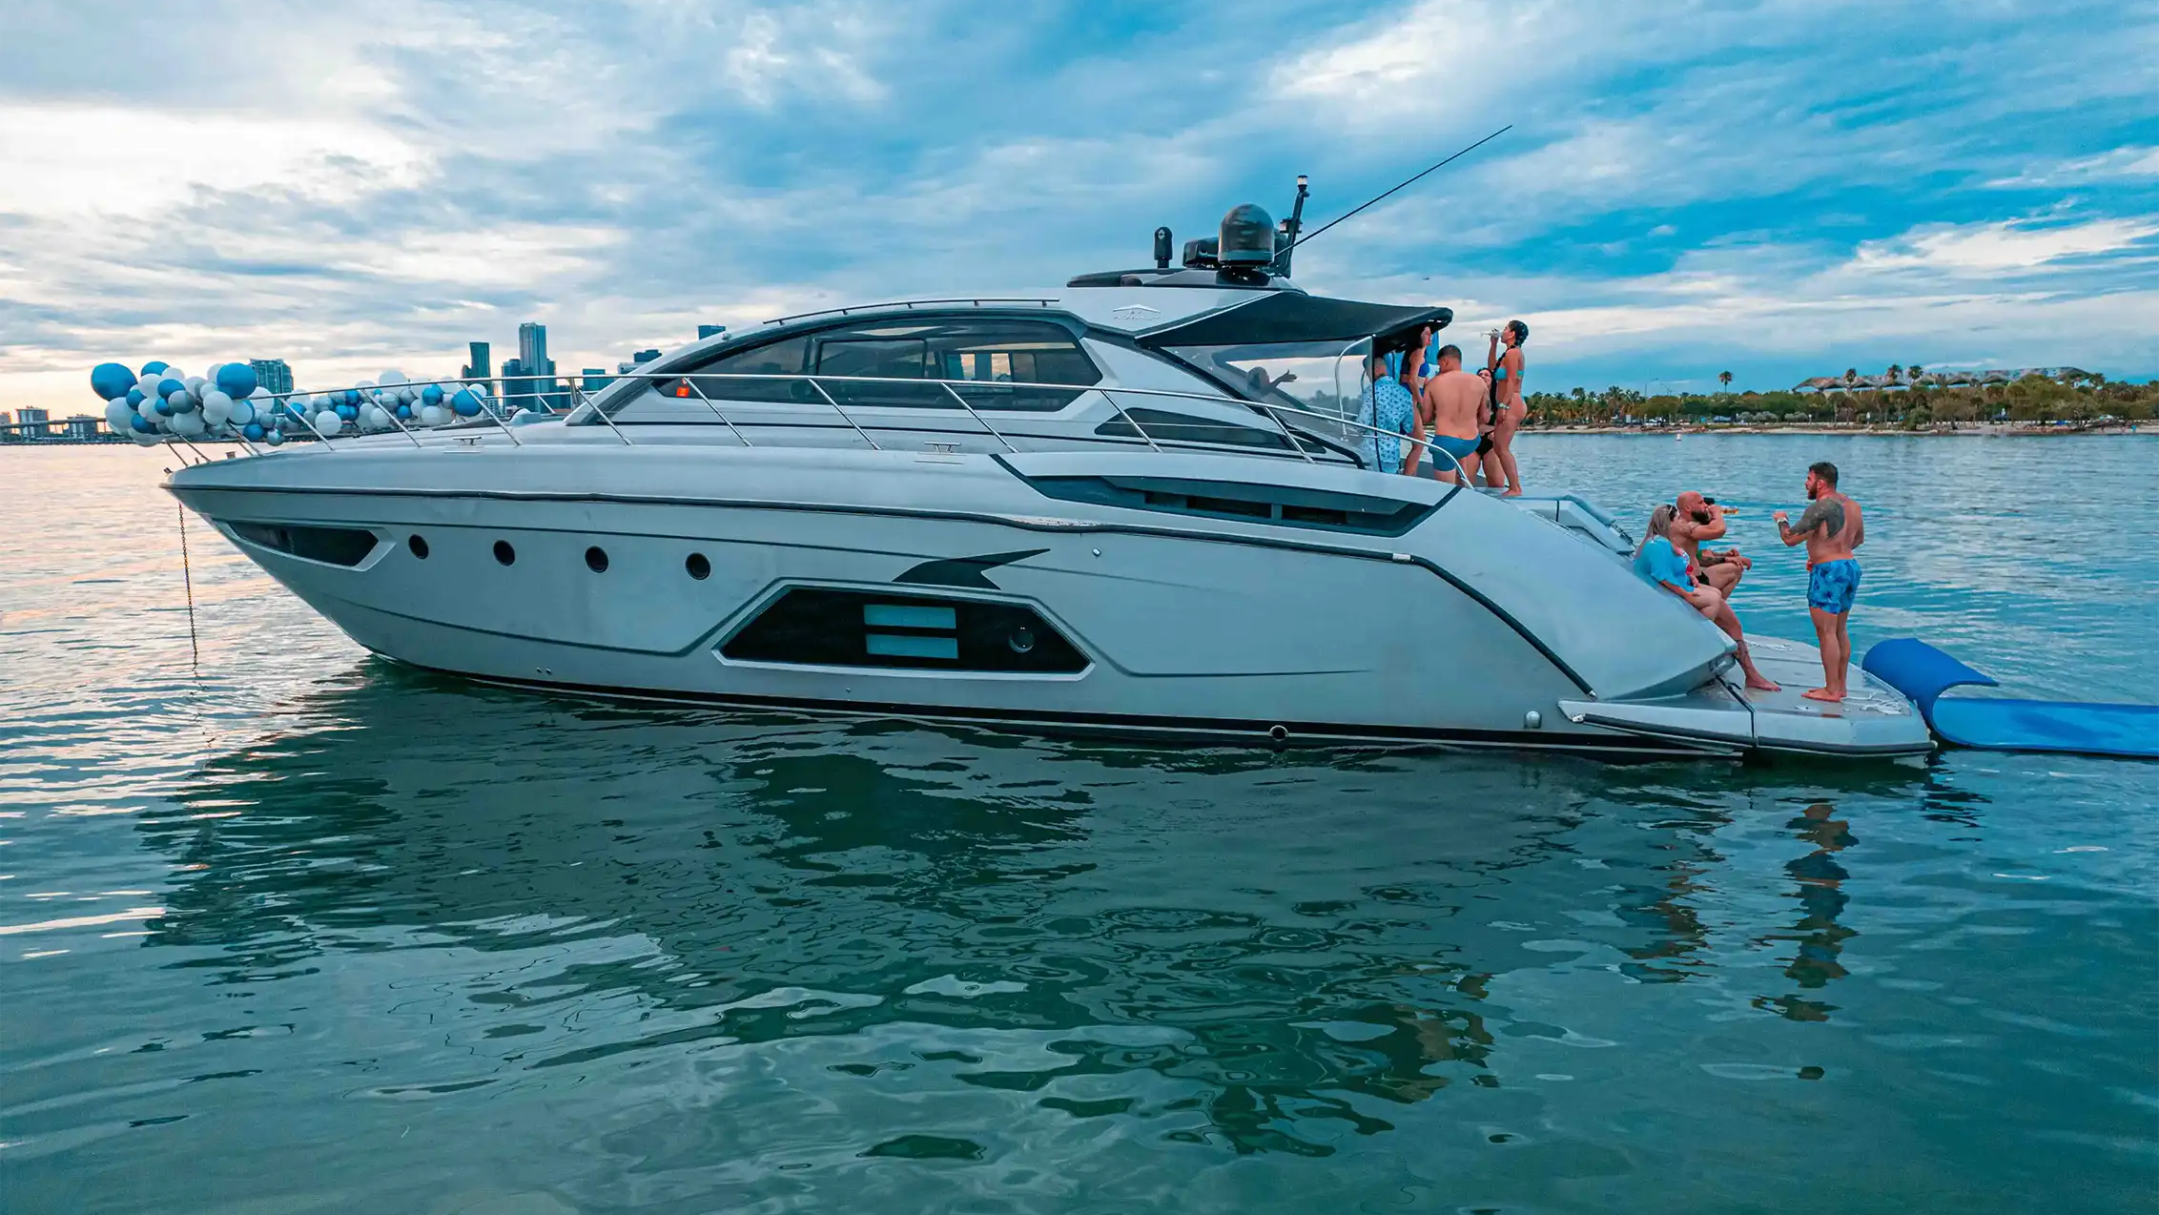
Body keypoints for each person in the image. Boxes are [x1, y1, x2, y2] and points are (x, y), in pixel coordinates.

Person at [1635, 505, 1781, 692]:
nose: (1683, 521)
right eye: (1679, 518)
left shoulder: (1669, 540)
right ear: (1670, 523)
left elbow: (1689, 563)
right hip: (1674, 593)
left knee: (1727, 615)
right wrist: (1717, 513)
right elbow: (1663, 574)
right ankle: (1700, 649)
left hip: (1686, 584)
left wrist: (1696, 573)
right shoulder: (1676, 537)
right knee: (1724, 615)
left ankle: (1748, 674)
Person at [1774, 461, 1864, 702]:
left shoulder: (1819, 508)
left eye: (1809, 479)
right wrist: (1825, 555)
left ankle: (1831, 690)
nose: (1806, 483)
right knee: (1840, 629)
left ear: (1821, 483)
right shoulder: (1853, 506)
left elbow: (1790, 539)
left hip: (1828, 571)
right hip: (1849, 567)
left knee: (1826, 632)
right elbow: (1858, 539)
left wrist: (1781, 519)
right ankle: (1840, 687)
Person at [1408, 343, 1485, 483]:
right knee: (1459, 455)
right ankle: (1464, 488)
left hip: (1446, 443)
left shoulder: (1434, 383)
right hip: (1471, 441)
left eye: (1439, 365)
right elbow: (1485, 417)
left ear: (1445, 361)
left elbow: (1426, 417)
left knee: (1445, 488)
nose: (1440, 369)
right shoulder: (1480, 382)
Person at [1666, 489, 1752, 594]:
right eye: (1701, 503)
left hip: (1691, 575)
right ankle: (1714, 602)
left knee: (1733, 567)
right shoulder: (1686, 527)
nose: (1706, 506)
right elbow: (1718, 531)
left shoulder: (1684, 523)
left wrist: (1723, 556)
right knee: (1735, 569)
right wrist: (1717, 513)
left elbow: (1696, 556)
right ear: (1688, 507)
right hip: (1691, 580)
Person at [1479, 320, 1528, 496]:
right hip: (1510, 402)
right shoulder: (1508, 353)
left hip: (1512, 402)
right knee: (1500, 447)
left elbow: (1512, 381)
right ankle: (1514, 486)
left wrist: (1503, 405)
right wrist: (1493, 345)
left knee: (1501, 447)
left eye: (1506, 328)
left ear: (1512, 333)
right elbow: (1493, 369)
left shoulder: (1514, 353)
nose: (1503, 331)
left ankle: (1515, 487)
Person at [1354, 351, 1417, 474]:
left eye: (1368, 373)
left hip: (1371, 452)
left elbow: (1361, 424)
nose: (1368, 377)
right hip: (1392, 455)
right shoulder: (1405, 394)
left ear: (1375, 370)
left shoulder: (1372, 391)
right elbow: (1408, 426)